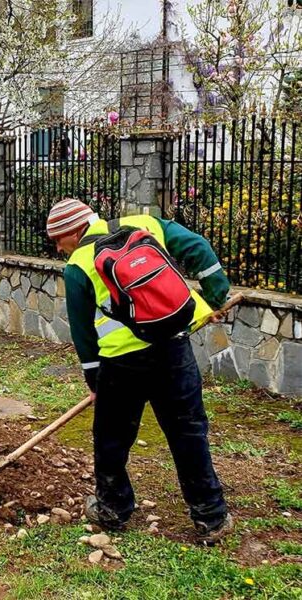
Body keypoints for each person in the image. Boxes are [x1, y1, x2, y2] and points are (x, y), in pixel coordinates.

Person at [46, 197, 233, 541]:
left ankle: (113, 509)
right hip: (173, 349)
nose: (58, 247)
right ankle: (211, 517)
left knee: (111, 439)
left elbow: (84, 334)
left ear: (75, 229)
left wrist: (94, 379)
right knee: (188, 433)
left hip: (122, 364)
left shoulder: (78, 265)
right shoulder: (147, 224)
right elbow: (199, 247)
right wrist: (217, 295)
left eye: (58, 238)